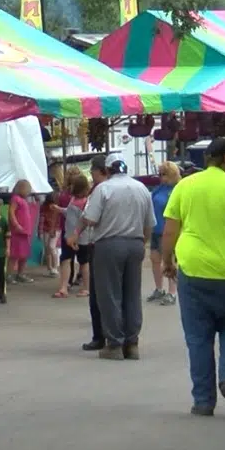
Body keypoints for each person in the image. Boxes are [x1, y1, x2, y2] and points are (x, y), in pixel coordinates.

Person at [162, 137, 225, 416]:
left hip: (193, 272)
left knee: (198, 338)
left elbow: (170, 230)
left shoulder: (185, 186)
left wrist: (167, 261)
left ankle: (203, 401)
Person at [67, 153, 154, 360]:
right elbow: (149, 223)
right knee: (132, 294)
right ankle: (132, 343)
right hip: (135, 243)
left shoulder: (104, 189)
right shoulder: (141, 188)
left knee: (110, 294)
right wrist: (142, 243)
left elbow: (90, 218)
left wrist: (75, 234)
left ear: (107, 170)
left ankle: (115, 343)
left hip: (109, 244)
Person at [147, 161, 179, 306]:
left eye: (164, 174)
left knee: (169, 261)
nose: (161, 177)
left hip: (168, 230)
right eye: (159, 174)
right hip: (155, 229)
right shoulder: (159, 189)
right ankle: (159, 289)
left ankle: (172, 292)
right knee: (155, 259)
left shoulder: (176, 190)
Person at [54, 174, 90, 299]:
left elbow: (80, 220)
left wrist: (75, 235)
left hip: (79, 237)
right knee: (68, 260)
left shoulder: (85, 202)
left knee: (82, 262)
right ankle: (64, 287)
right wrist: (60, 209)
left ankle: (85, 287)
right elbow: (69, 214)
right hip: (70, 236)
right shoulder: (74, 200)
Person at [57, 166, 82, 287]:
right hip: (72, 228)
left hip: (73, 227)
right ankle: (72, 279)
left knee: (71, 256)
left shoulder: (66, 193)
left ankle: (71, 279)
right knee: (73, 256)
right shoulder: (67, 193)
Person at [8, 180, 35, 284]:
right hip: (17, 232)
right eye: (27, 189)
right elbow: (11, 212)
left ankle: (21, 274)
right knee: (14, 254)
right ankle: (9, 275)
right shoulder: (15, 199)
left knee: (24, 254)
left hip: (25, 232)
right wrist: (16, 225)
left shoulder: (24, 200)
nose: (29, 191)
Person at [39, 193, 61, 278]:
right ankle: (49, 268)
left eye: (53, 203)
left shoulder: (57, 208)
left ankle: (55, 268)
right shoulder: (43, 208)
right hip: (46, 229)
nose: (51, 206)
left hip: (56, 229)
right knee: (47, 248)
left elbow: (57, 221)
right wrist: (40, 232)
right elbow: (41, 220)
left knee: (52, 247)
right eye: (50, 203)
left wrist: (54, 230)